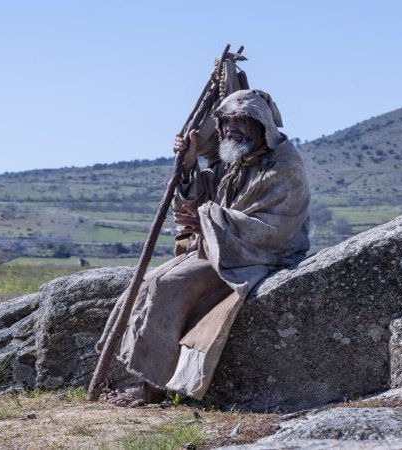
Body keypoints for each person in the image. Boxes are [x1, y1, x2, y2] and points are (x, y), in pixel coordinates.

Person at [98, 89, 311, 406]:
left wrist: (208, 222)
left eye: (241, 122)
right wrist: (188, 163)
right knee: (145, 284)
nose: (231, 129)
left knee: (167, 285)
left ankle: (154, 388)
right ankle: (145, 377)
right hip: (221, 247)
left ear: (261, 125)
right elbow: (198, 195)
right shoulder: (235, 160)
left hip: (258, 255)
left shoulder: (283, 167)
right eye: (226, 122)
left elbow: (275, 230)